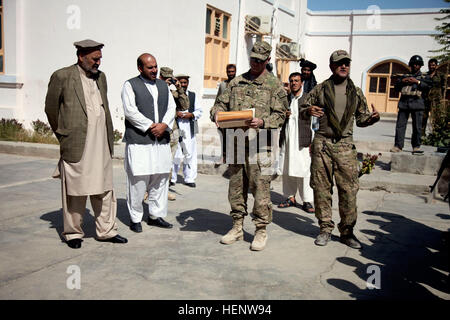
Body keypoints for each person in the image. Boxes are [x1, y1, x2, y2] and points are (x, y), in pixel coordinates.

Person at [44, 39, 128, 249]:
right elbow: (51, 110)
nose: (98, 63)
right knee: (75, 190)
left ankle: (106, 230)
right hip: (77, 142)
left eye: (100, 59)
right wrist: (63, 134)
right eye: (94, 59)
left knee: (105, 189)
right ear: (81, 56)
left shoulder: (101, 77)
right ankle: (73, 233)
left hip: (101, 142)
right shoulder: (62, 76)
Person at [210, 40, 288, 251]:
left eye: (260, 60)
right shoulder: (236, 83)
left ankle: (260, 230)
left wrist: (263, 122)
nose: (255, 63)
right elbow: (219, 104)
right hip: (236, 143)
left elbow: (281, 115)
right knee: (236, 187)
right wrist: (216, 113)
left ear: (268, 60)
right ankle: (237, 226)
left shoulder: (275, 85)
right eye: (253, 59)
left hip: (261, 146)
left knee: (261, 189)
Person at [299, 49, 380, 249]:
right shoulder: (320, 89)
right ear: (332, 66)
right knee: (321, 189)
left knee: (349, 190)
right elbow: (301, 110)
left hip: (345, 145)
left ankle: (347, 231)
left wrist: (371, 119)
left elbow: (361, 119)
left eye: (346, 63)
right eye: (339, 63)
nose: (344, 66)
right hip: (322, 144)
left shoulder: (355, 92)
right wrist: (309, 110)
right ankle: (325, 228)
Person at [121, 53, 176, 233]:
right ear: (140, 68)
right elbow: (130, 111)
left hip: (160, 141)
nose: (154, 70)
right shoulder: (130, 85)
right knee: (138, 180)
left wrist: (164, 125)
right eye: (150, 67)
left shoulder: (163, 85)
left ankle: (155, 215)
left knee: (160, 179)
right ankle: (135, 218)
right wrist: (150, 126)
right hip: (140, 141)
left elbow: (171, 108)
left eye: (155, 67)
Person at [277, 72, 315, 214]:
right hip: (287, 139)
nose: (294, 83)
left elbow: (315, 121)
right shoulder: (285, 99)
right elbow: (278, 116)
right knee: (287, 168)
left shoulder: (307, 99)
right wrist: (283, 115)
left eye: (296, 81)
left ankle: (307, 200)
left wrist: (313, 141)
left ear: (302, 83)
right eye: (291, 81)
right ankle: (290, 197)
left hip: (302, 140)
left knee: (304, 169)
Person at [159, 66, 190, 200]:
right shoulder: (154, 91)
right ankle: (148, 191)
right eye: (165, 79)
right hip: (159, 132)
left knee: (168, 164)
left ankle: (164, 191)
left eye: (169, 79)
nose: (168, 81)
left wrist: (179, 88)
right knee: (156, 163)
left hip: (173, 131)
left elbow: (185, 106)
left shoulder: (173, 93)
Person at [390, 55, 431, 153]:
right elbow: (396, 88)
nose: (415, 66)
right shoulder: (404, 76)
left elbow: (428, 86)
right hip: (404, 103)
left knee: (417, 127)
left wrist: (417, 82)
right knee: (400, 126)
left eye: (417, 64)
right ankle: (398, 146)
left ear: (420, 66)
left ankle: (416, 146)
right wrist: (402, 81)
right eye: (413, 64)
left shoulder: (424, 77)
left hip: (417, 103)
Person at [170, 74, 202, 188]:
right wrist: (176, 113)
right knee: (176, 153)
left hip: (189, 128)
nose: (183, 85)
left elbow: (199, 111)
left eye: (185, 82)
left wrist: (191, 114)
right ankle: (172, 178)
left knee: (190, 154)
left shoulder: (193, 95)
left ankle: (189, 178)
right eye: (181, 82)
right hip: (177, 127)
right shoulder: (173, 94)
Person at [215, 64, 237, 164]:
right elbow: (218, 99)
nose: (231, 74)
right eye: (229, 72)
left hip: (235, 115)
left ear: (235, 72)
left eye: (232, 71)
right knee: (223, 136)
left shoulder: (238, 83)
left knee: (234, 137)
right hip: (224, 115)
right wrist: (215, 113)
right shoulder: (223, 85)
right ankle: (223, 156)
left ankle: (233, 158)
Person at [422, 58, 445, 136]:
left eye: (433, 65)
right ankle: (422, 135)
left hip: (436, 100)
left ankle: (436, 134)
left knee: (436, 118)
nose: (431, 67)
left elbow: (444, 88)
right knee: (423, 117)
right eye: (430, 65)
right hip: (426, 99)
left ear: (436, 66)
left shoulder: (441, 75)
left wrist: (441, 98)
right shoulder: (425, 75)